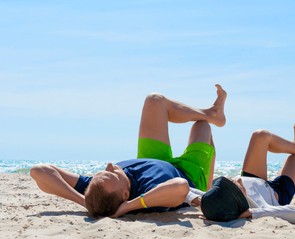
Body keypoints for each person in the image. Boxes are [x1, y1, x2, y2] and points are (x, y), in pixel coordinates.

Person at [30, 84, 227, 218]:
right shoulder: (148, 194)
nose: (109, 166)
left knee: (154, 100)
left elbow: (39, 171)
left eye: (102, 171)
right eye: (111, 174)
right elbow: (180, 186)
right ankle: (208, 182)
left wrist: (84, 202)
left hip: (151, 159)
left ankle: (213, 113)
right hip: (188, 172)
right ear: (125, 194)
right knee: (202, 127)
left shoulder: (99, 189)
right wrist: (129, 207)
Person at [189, 120, 295, 223]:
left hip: (256, 180)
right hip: (277, 192)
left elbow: (188, 189)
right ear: (239, 199)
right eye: (235, 185)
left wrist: (194, 199)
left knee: (260, 135)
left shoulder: (213, 201)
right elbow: (294, 211)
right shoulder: (258, 206)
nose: (237, 179)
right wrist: (254, 213)